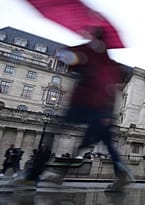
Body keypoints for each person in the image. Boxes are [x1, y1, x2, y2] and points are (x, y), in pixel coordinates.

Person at [12, 27, 133, 192]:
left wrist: (75, 58)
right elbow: (113, 87)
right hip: (98, 108)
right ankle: (121, 174)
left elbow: (64, 58)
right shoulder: (106, 61)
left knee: (58, 133)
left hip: (83, 103)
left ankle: (35, 175)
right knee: (100, 143)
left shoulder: (89, 53)